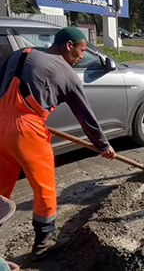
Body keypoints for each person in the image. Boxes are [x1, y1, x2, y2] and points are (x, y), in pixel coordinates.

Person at [0, 27, 116, 261]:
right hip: (27, 130)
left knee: (1, 186)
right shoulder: (66, 72)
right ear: (68, 45)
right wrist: (104, 146)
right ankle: (43, 244)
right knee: (44, 187)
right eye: (82, 50)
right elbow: (85, 115)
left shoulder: (21, 53)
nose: (82, 56)